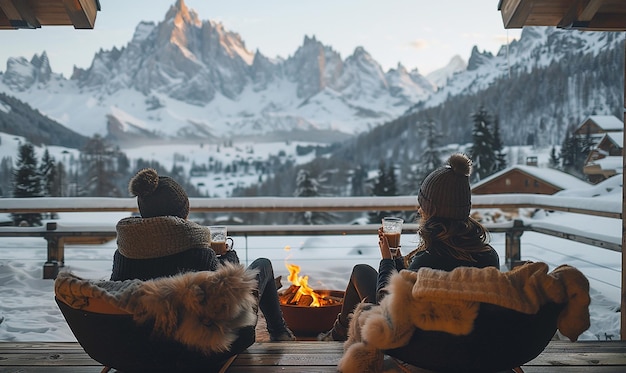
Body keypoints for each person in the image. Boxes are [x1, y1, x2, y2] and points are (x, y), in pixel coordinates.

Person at [318, 153, 500, 341]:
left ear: (432, 209)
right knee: (363, 271)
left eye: (423, 204)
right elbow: (412, 287)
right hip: (468, 341)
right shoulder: (488, 255)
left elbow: (388, 305)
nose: (419, 209)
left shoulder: (430, 258)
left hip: (420, 344)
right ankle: (336, 334)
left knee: (360, 272)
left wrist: (387, 260)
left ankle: (335, 337)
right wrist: (397, 259)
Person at [111, 168, 295, 342]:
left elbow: (116, 293)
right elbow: (225, 295)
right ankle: (279, 332)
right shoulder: (197, 251)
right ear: (183, 212)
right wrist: (228, 257)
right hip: (200, 344)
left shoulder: (125, 253)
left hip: (140, 341)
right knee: (263, 264)